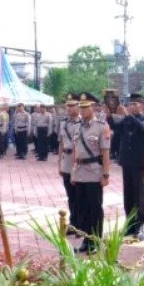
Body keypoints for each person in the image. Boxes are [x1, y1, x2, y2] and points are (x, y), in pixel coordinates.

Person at [71, 92, 111, 254]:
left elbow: (105, 153)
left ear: (93, 107)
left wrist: (106, 174)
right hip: (80, 171)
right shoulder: (77, 126)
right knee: (83, 209)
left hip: (94, 172)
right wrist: (73, 172)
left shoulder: (102, 126)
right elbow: (76, 151)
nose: (82, 110)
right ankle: (86, 240)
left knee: (95, 208)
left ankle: (95, 240)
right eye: (80, 106)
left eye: (85, 107)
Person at [112, 93, 144, 240]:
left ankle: (140, 224)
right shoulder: (127, 120)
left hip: (139, 163)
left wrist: (128, 115)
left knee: (139, 194)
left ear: (142, 106)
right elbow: (114, 126)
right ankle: (130, 222)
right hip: (127, 161)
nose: (132, 106)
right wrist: (110, 113)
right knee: (128, 193)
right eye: (130, 104)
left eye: (135, 104)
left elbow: (142, 128)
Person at [58, 93, 82, 235]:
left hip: (79, 161)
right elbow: (61, 143)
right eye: (67, 105)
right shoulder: (63, 123)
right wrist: (59, 163)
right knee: (70, 195)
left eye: (72, 105)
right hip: (66, 160)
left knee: (79, 194)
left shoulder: (82, 123)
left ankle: (80, 225)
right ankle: (73, 223)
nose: (69, 108)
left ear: (79, 106)